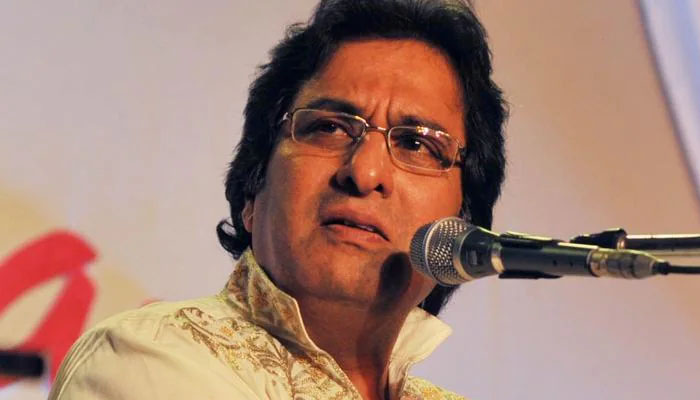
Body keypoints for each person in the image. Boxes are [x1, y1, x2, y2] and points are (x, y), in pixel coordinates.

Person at [49, 0, 506, 398]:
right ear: (252, 190)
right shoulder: (150, 357)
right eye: (329, 127)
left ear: (461, 224)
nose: (365, 173)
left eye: (416, 144)